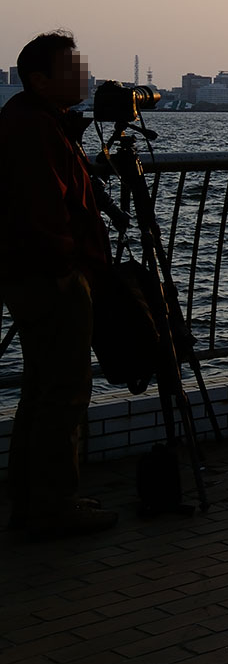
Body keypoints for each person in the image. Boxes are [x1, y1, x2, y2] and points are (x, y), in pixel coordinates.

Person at [1, 32, 117, 538]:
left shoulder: (41, 122)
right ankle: (52, 506)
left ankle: (34, 501)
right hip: (50, 277)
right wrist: (70, 264)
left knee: (41, 390)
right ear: (39, 79)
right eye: (72, 69)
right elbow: (43, 208)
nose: (84, 76)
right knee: (64, 393)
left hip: (37, 273)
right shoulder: (33, 129)